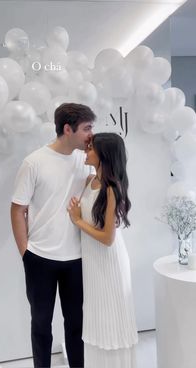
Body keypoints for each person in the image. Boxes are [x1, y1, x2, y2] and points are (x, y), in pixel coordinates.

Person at [11, 103, 96, 368]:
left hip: (76, 258)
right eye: (87, 128)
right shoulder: (34, 162)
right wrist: (25, 253)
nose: (91, 134)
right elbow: (18, 209)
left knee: (76, 326)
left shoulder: (87, 161)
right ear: (68, 129)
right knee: (41, 325)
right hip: (40, 259)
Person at [68, 132, 138, 368]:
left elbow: (108, 238)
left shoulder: (111, 189)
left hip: (109, 262)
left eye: (91, 149)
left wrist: (77, 221)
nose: (86, 151)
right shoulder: (90, 181)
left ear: (104, 155)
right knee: (98, 318)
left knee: (112, 319)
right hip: (93, 262)